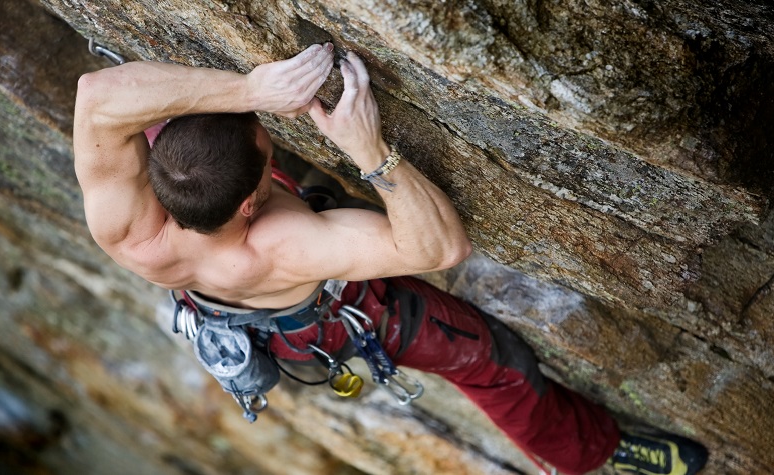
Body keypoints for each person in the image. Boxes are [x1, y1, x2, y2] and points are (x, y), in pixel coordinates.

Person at [73, 43, 707, 475]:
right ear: (249, 204)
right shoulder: (283, 244)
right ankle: (590, 457)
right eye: (267, 152)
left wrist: (248, 88)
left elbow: (98, 93)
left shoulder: (129, 225)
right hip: (337, 312)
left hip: (220, 301)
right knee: (493, 362)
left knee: (195, 150)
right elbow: (439, 248)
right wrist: (369, 148)